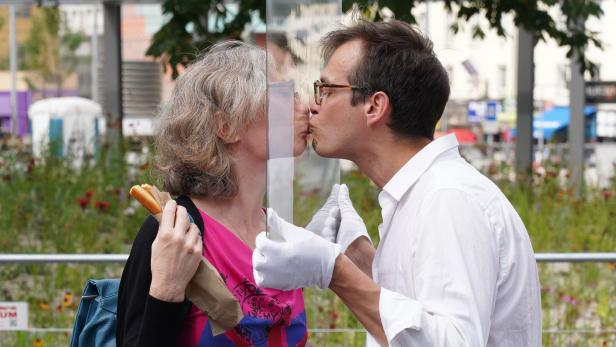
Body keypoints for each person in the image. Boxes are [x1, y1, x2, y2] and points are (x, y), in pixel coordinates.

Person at [252, 20, 542, 346]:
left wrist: (334, 270)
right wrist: (362, 263)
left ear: (375, 106)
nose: (313, 105)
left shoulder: (448, 198)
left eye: (327, 90)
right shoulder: (424, 194)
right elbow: (419, 320)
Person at [116, 40, 315, 347]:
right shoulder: (175, 231)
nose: (308, 108)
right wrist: (166, 290)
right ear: (226, 126)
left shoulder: (279, 233)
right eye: (284, 95)